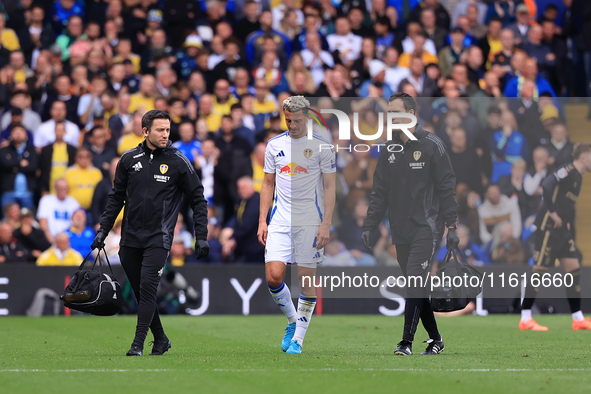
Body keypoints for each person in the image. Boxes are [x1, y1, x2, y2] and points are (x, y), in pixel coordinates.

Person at [91, 110, 209, 356]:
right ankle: (162, 339)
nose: (166, 134)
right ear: (145, 131)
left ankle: (137, 344)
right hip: (130, 238)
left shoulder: (178, 161)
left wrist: (202, 235)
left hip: (159, 237)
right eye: (160, 130)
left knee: (147, 290)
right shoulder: (128, 159)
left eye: (167, 130)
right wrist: (103, 229)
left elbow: (198, 198)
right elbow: (116, 198)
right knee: (141, 292)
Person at [362, 93, 459, 356]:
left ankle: (406, 342)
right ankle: (436, 339)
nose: (392, 118)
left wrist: (452, 226)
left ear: (412, 114)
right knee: (417, 287)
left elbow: (447, 187)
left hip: (427, 227)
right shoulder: (388, 149)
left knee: (415, 280)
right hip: (400, 228)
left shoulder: (432, 145)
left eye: (397, 113)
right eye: (390, 113)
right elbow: (379, 192)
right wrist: (369, 224)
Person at [257, 96, 336, 354]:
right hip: (279, 219)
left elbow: (330, 187)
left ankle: (299, 340)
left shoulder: (323, 147)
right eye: (288, 120)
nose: (292, 125)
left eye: (298, 121)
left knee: (305, 278)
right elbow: (268, 184)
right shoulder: (274, 145)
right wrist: (262, 220)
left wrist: (326, 223)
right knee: (274, 276)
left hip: (310, 220)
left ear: (308, 117)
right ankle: (293, 321)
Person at [519, 142, 591, 331]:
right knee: (540, 270)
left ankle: (577, 318)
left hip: (562, 231)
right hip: (548, 228)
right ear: (583, 157)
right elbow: (547, 185)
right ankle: (525, 317)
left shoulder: (579, 177)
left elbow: (566, 203)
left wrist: (565, 220)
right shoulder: (567, 170)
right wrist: (552, 212)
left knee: (574, 269)